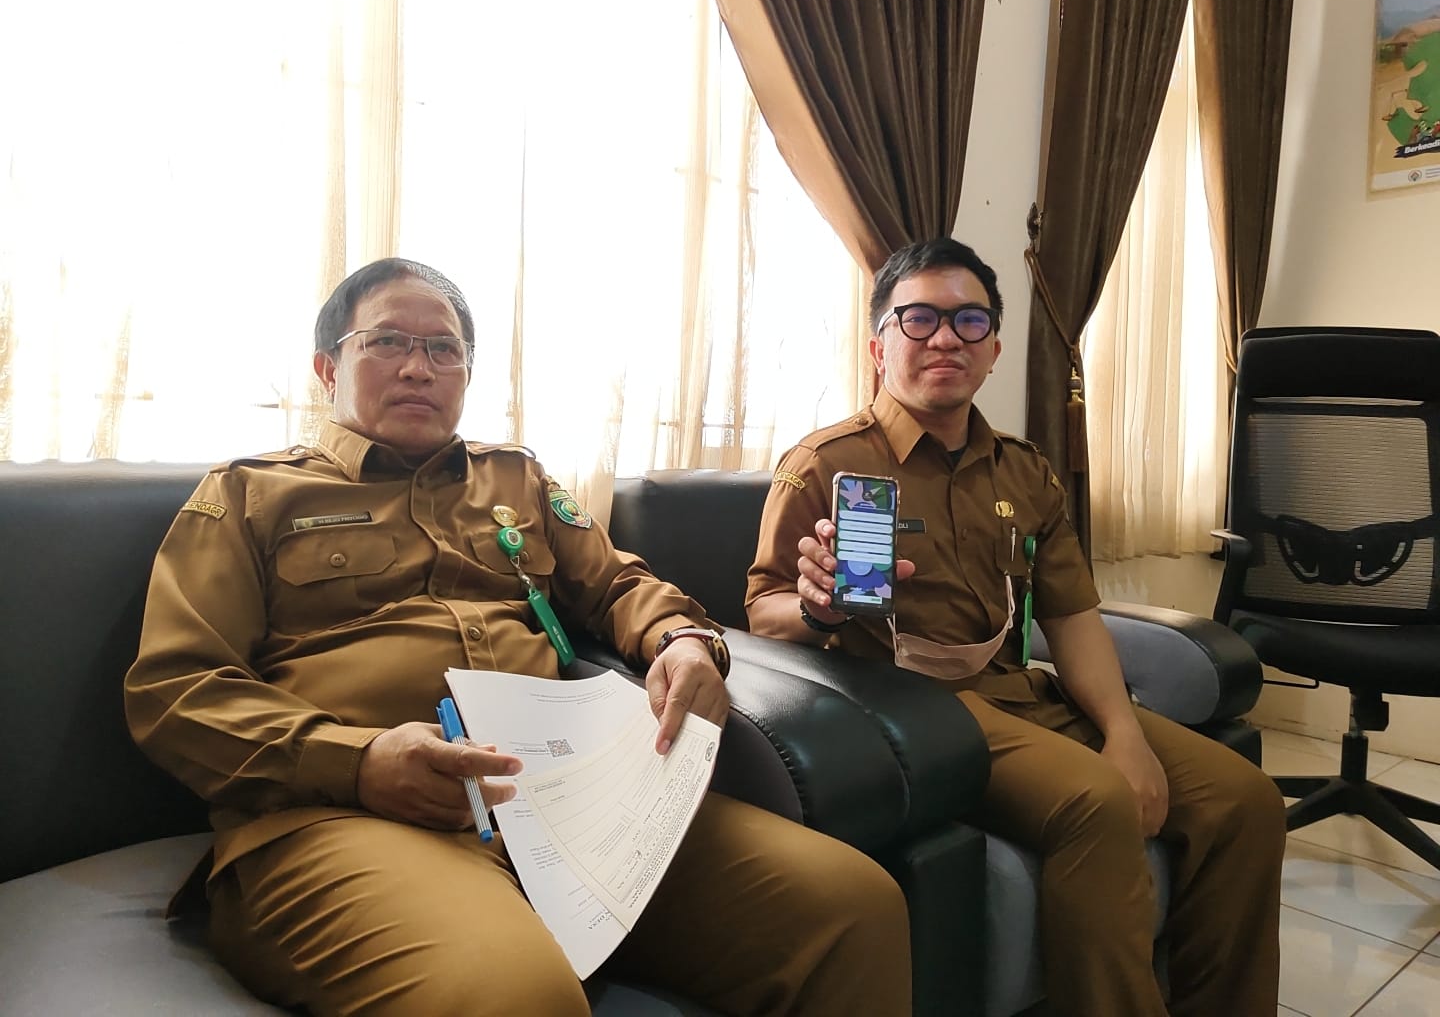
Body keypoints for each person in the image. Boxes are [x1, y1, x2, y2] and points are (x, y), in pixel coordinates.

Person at [124, 258, 910, 1016]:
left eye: (444, 350)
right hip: (343, 817)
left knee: (850, 906)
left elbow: (618, 585)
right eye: (388, 342)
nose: (419, 367)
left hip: (563, 802)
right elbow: (175, 690)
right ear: (328, 369)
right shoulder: (250, 493)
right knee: (515, 996)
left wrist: (682, 639)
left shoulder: (515, 481)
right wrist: (357, 762)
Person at [746, 237, 1284, 1016]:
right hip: (917, 712)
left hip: (1021, 693)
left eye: (969, 321)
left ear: (994, 349)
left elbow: (1071, 616)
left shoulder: (1025, 471)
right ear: (879, 345)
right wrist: (817, 609)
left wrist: (1125, 733)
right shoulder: (826, 463)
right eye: (919, 318)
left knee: (1246, 800)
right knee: (1096, 801)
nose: (945, 338)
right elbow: (760, 611)